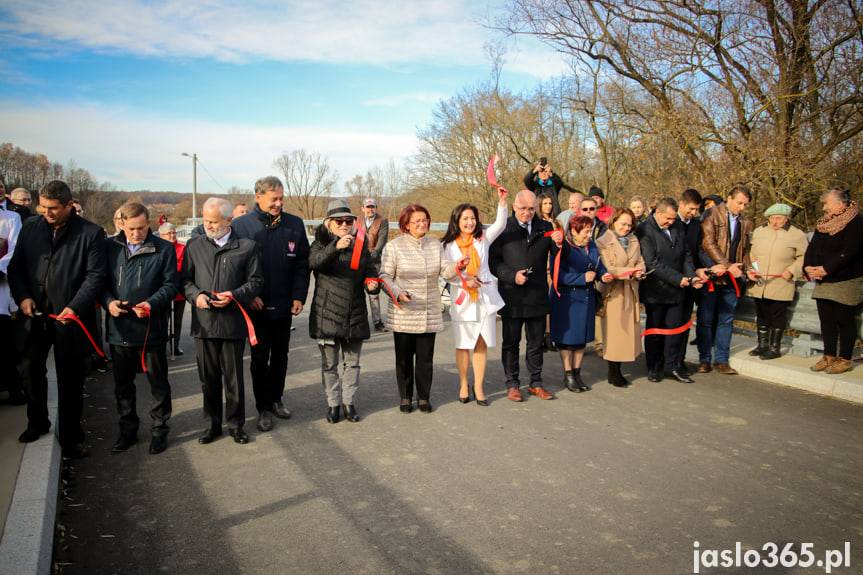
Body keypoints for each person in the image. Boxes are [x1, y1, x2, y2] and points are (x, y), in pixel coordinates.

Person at [8, 180, 107, 458]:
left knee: (70, 379)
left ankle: (72, 438)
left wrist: (75, 307)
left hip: (70, 320)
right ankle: (37, 422)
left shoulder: (91, 233)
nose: (46, 212)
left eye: (52, 208)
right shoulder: (31, 227)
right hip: (34, 316)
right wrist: (23, 297)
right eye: (42, 207)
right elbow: (16, 267)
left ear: (68, 205)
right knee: (30, 371)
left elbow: (95, 276)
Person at [182, 197, 263, 445]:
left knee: (233, 378)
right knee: (208, 379)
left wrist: (235, 295)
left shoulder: (247, 247)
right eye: (206, 220)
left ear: (229, 220)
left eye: (214, 221)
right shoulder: (194, 245)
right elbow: (185, 281)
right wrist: (197, 296)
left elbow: (256, 281)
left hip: (232, 323)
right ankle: (212, 425)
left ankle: (236, 425)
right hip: (204, 324)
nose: (208, 225)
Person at [231, 176, 310, 431]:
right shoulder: (241, 226)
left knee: (281, 356)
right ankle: (263, 408)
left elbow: (302, 265)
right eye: (273, 199)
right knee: (259, 358)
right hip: (256, 307)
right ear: (258, 197)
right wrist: (247, 295)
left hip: (284, 304)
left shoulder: (294, 224)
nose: (278, 203)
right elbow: (234, 267)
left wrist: (298, 296)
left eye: (281, 198)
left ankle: (276, 399)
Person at [102, 203, 177, 454]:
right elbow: (99, 282)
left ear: (149, 224)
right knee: (123, 385)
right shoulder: (109, 247)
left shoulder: (163, 248)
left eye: (142, 228)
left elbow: (171, 285)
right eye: (131, 228)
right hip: (120, 328)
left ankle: (159, 429)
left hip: (151, 329)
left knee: (158, 383)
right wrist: (108, 302)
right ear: (121, 224)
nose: (137, 233)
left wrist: (151, 303)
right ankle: (127, 431)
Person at [379, 204, 459, 413]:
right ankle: (405, 396)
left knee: (425, 359)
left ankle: (424, 397)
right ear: (406, 224)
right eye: (417, 221)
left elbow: (445, 271)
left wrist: (457, 267)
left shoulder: (435, 244)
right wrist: (398, 292)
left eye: (425, 220)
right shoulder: (394, 246)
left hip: (428, 310)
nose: (422, 224)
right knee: (404, 359)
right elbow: (384, 276)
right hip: (404, 311)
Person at [309, 200, 380, 423]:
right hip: (327, 313)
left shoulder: (360, 244)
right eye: (338, 221)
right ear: (328, 223)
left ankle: (349, 402)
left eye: (348, 221)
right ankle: (333, 404)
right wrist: (335, 246)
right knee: (329, 365)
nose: (344, 225)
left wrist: (372, 285)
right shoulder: (320, 243)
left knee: (352, 363)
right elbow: (315, 263)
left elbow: (370, 271)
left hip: (354, 312)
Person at [489, 190, 560, 401]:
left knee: (536, 343)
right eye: (522, 208)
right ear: (514, 207)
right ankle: (512, 384)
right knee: (511, 343)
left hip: (537, 295)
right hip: (512, 296)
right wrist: (512, 276)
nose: (527, 213)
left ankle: (536, 383)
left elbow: (557, 257)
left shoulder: (545, 227)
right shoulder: (503, 228)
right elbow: (493, 262)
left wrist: (559, 243)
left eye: (531, 209)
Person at [441, 187, 508, 406]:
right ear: (457, 221)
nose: (469, 222)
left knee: (481, 341)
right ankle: (463, 383)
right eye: (465, 219)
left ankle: (478, 386)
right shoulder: (447, 245)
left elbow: (501, 224)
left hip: (484, 297)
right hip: (463, 300)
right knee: (463, 344)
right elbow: (446, 273)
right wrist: (463, 281)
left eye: (472, 218)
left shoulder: (483, 238)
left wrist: (502, 202)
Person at [636, 197, 701, 383]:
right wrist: (678, 278)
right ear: (658, 213)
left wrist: (691, 276)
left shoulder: (677, 226)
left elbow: (686, 255)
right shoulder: (644, 229)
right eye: (668, 218)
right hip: (656, 290)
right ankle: (654, 366)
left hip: (678, 290)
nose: (671, 222)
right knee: (656, 331)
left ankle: (672, 365)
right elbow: (651, 262)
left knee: (675, 330)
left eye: (673, 219)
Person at [804, 187, 863, 375]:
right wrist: (808, 266)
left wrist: (826, 269)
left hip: (847, 279)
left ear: (840, 204)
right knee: (826, 320)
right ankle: (828, 356)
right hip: (824, 279)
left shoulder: (856, 222)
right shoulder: (824, 223)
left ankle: (845, 359)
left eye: (826, 204)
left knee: (844, 320)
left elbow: (850, 252)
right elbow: (812, 247)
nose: (823, 208)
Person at [697, 184, 753, 375]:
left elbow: (744, 250)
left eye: (745, 204)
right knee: (705, 319)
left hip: (732, 278)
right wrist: (727, 266)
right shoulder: (711, 214)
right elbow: (708, 243)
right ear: (729, 198)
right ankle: (704, 359)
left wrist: (748, 269)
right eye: (739, 203)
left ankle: (722, 360)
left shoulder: (745, 222)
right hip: (713, 276)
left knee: (726, 320)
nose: (742, 207)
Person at [549, 215, 610, 392]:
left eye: (590, 231)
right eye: (586, 231)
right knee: (568, 340)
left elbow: (598, 266)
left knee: (581, 340)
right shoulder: (563, 247)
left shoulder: (592, 246)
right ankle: (568, 375)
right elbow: (556, 275)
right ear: (574, 231)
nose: (589, 235)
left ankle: (577, 373)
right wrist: (581, 278)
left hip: (587, 297)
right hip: (568, 299)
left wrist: (603, 275)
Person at [745, 204, 808, 360]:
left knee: (777, 315)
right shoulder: (759, 232)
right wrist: (752, 269)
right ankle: (762, 345)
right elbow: (751, 254)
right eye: (771, 218)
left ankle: (775, 348)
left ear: (786, 218)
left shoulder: (797, 235)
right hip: (760, 282)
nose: (774, 221)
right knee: (761, 314)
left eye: (778, 218)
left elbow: (804, 257)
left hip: (781, 282)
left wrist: (792, 271)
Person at [596, 208, 646, 387]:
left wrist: (640, 271)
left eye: (629, 225)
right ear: (613, 222)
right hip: (613, 292)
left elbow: (640, 261)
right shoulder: (603, 241)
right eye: (623, 224)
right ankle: (613, 371)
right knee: (615, 334)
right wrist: (629, 271)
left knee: (627, 334)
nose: (626, 228)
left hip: (631, 290)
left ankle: (618, 369)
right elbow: (606, 267)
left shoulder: (633, 239)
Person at [673, 188, 706, 375]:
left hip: (691, 280)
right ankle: (666, 360)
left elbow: (698, 250)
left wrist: (706, 268)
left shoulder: (695, 225)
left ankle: (680, 359)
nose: (693, 213)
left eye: (696, 209)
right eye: (691, 209)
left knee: (685, 323)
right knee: (672, 323)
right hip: (673, 280)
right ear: (681, 204)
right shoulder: (671, 221)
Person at [0, 205, 23, 404]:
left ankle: (14, 389)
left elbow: (15, 249)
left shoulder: (11, 217)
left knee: (5, 347)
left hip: (2, 289)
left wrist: (0, 268)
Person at [361, 197, 389, 332]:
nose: (370, 209)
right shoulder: (357, 221)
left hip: (374, 261)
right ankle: (360, 322)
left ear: (376, 208)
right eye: (368, 207)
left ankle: (377, 322)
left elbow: (382, 239)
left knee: (373, 291)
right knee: (356, 292)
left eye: (372, 207)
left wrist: (376, 251)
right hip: (358, 259)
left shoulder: (382, 221)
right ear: (363, 209)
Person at [159, 222, 187, 356]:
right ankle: (161, 345)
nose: (172, 235)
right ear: (161, 235)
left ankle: (175, 345)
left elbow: (185, 267)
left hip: (179, 291)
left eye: (174, 232)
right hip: (163, 291)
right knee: (163, 321)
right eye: (168, 233)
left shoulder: (183, 248)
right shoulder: (158, 248)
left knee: (177, 321)